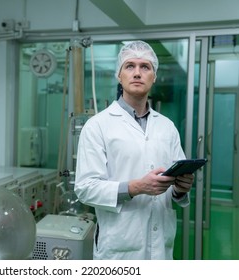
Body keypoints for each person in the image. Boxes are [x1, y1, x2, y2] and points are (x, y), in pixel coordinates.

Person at [74, 40, 195, 260]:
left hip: (161, 247)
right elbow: (85, 188)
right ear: (119, 76)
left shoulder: (167, 127)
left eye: (145, 67)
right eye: (130, 66)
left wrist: (181, 189)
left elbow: (175, 184)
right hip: (119, 249)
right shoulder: (98, 125)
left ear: (154, 76)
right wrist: (136, 187)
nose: (137, 73)